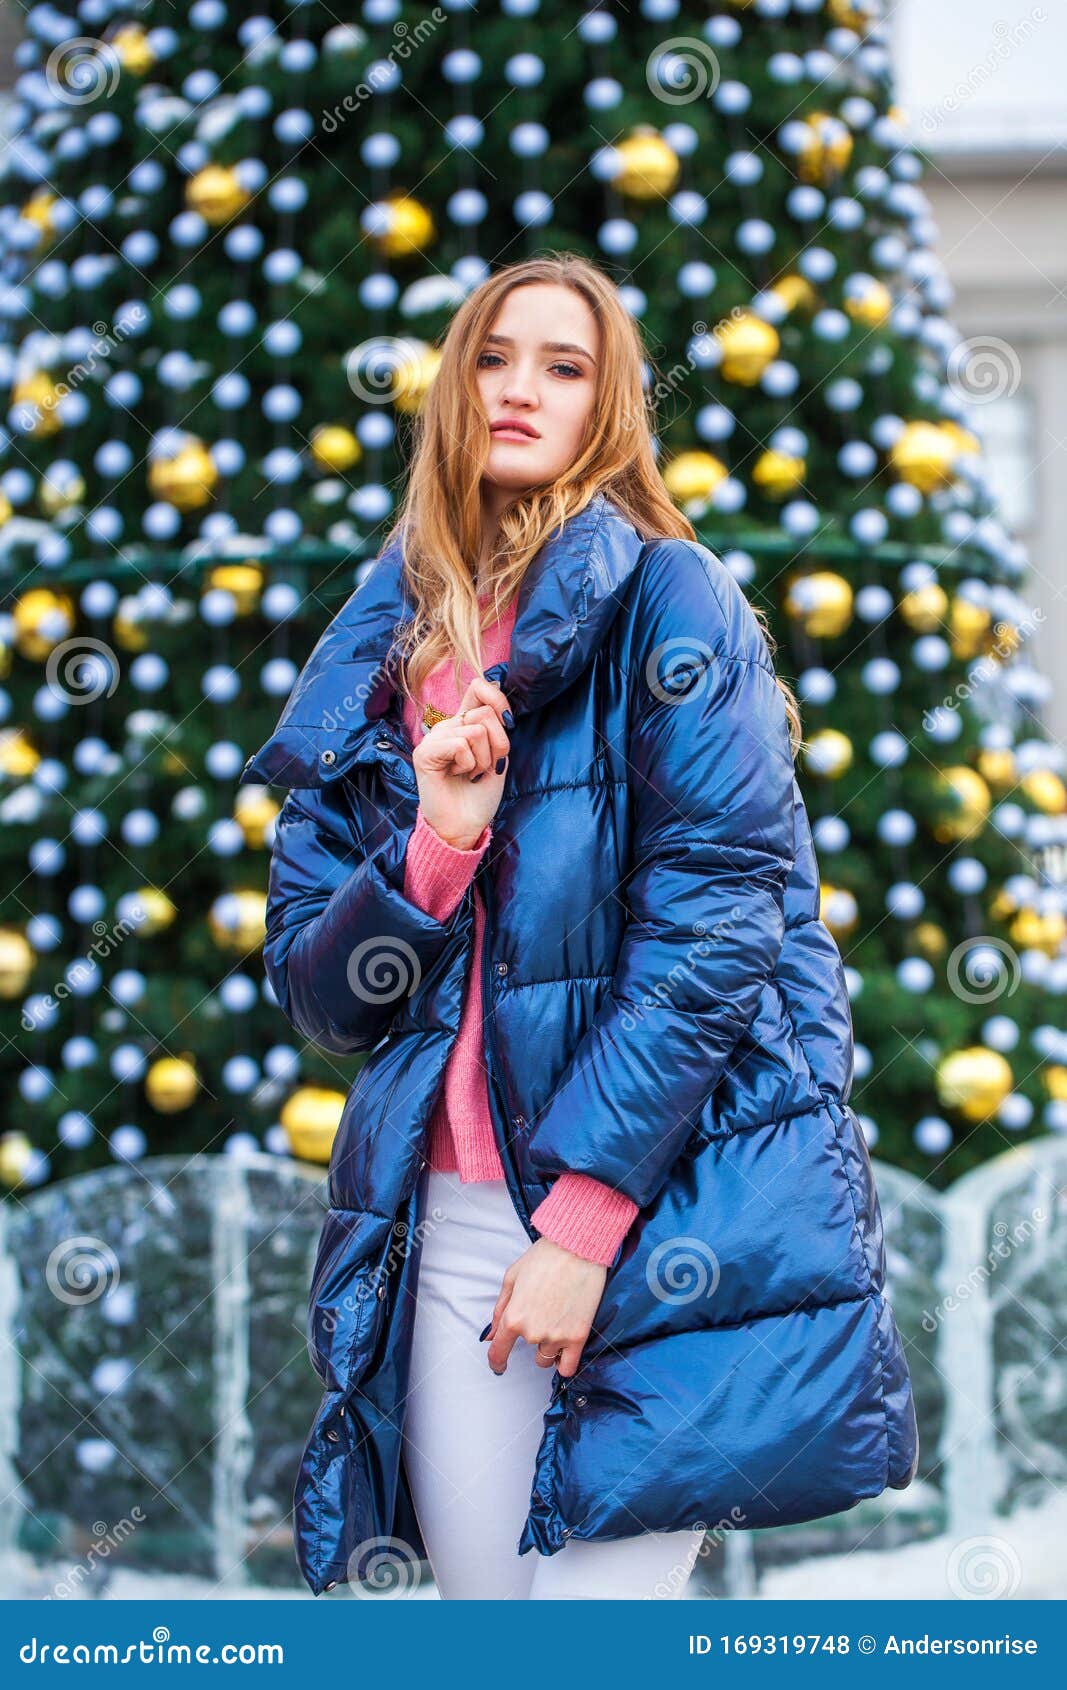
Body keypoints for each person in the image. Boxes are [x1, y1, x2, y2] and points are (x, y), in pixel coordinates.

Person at [245, 253, 919, 1601]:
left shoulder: (672, 601)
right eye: (493, 356)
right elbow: (326, 999)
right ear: (452, 387)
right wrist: (440, 838)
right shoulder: (380, 653)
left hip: (654, 1213)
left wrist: (586, 1226)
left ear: (609, 402)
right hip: (442, 1223)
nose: (518, 388)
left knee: (594, 1645)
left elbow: (719, 927)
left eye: (563, 365)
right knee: (493, 1637)